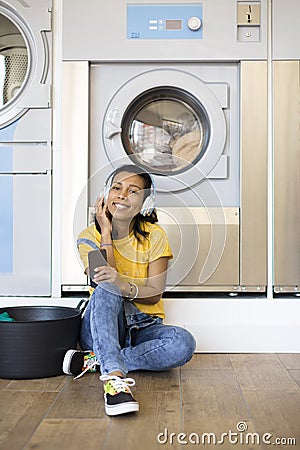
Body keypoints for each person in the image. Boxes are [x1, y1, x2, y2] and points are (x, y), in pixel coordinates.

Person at [62, 164, 196, 416]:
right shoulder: (88, 236)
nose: (122, 195)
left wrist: (122, 282)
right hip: (101, 327)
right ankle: (114, 382)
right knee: (107, 287)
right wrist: (105, 231)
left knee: (182, 343)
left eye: (133, 191)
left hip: (144, 325)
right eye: (116, 188)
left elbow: (155, 292)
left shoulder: (154, 236)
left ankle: (97, 360)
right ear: (106, 195)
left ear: (145, 203)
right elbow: (104, 281)